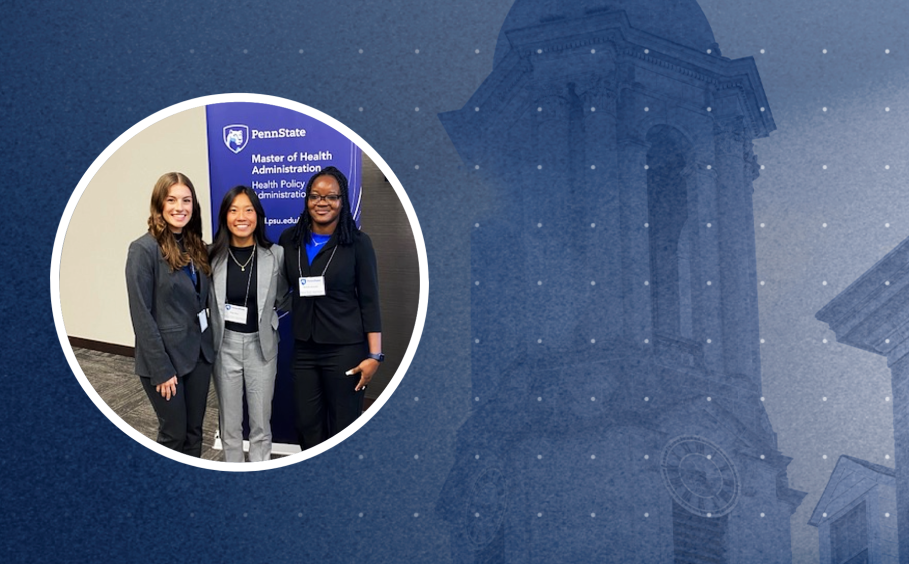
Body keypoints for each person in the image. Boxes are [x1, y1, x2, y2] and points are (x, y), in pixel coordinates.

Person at [279, 166, 383, 449]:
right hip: (304, 348)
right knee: (306, 424)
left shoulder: (358, 243)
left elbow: (370, 301)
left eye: (331, 197)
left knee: (343, 425)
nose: (322, 203)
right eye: (315, 196)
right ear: (306, 200)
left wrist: (375, 355)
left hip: (345, 349)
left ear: (343, 200)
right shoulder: (290, 240)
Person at [125, 172, 213, 457]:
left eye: (186, 200)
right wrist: (161, 369)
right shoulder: (143, 249)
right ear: (159, 204)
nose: (180, 207)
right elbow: (141, 314)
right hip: (165, 361)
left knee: (194, 432)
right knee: (173, 435)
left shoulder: (196, 245)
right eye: (172, 199)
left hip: (199, 353)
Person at [208, 186, 288, 463]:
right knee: (229, 425)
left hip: (261, 347)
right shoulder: (212, 256)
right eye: (233, 210)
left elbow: (285, 298)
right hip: (224, 346)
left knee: (261, 425)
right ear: (224, 217)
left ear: (258, 215)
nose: (241, 216)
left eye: (248, 209)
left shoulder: (274, 254)